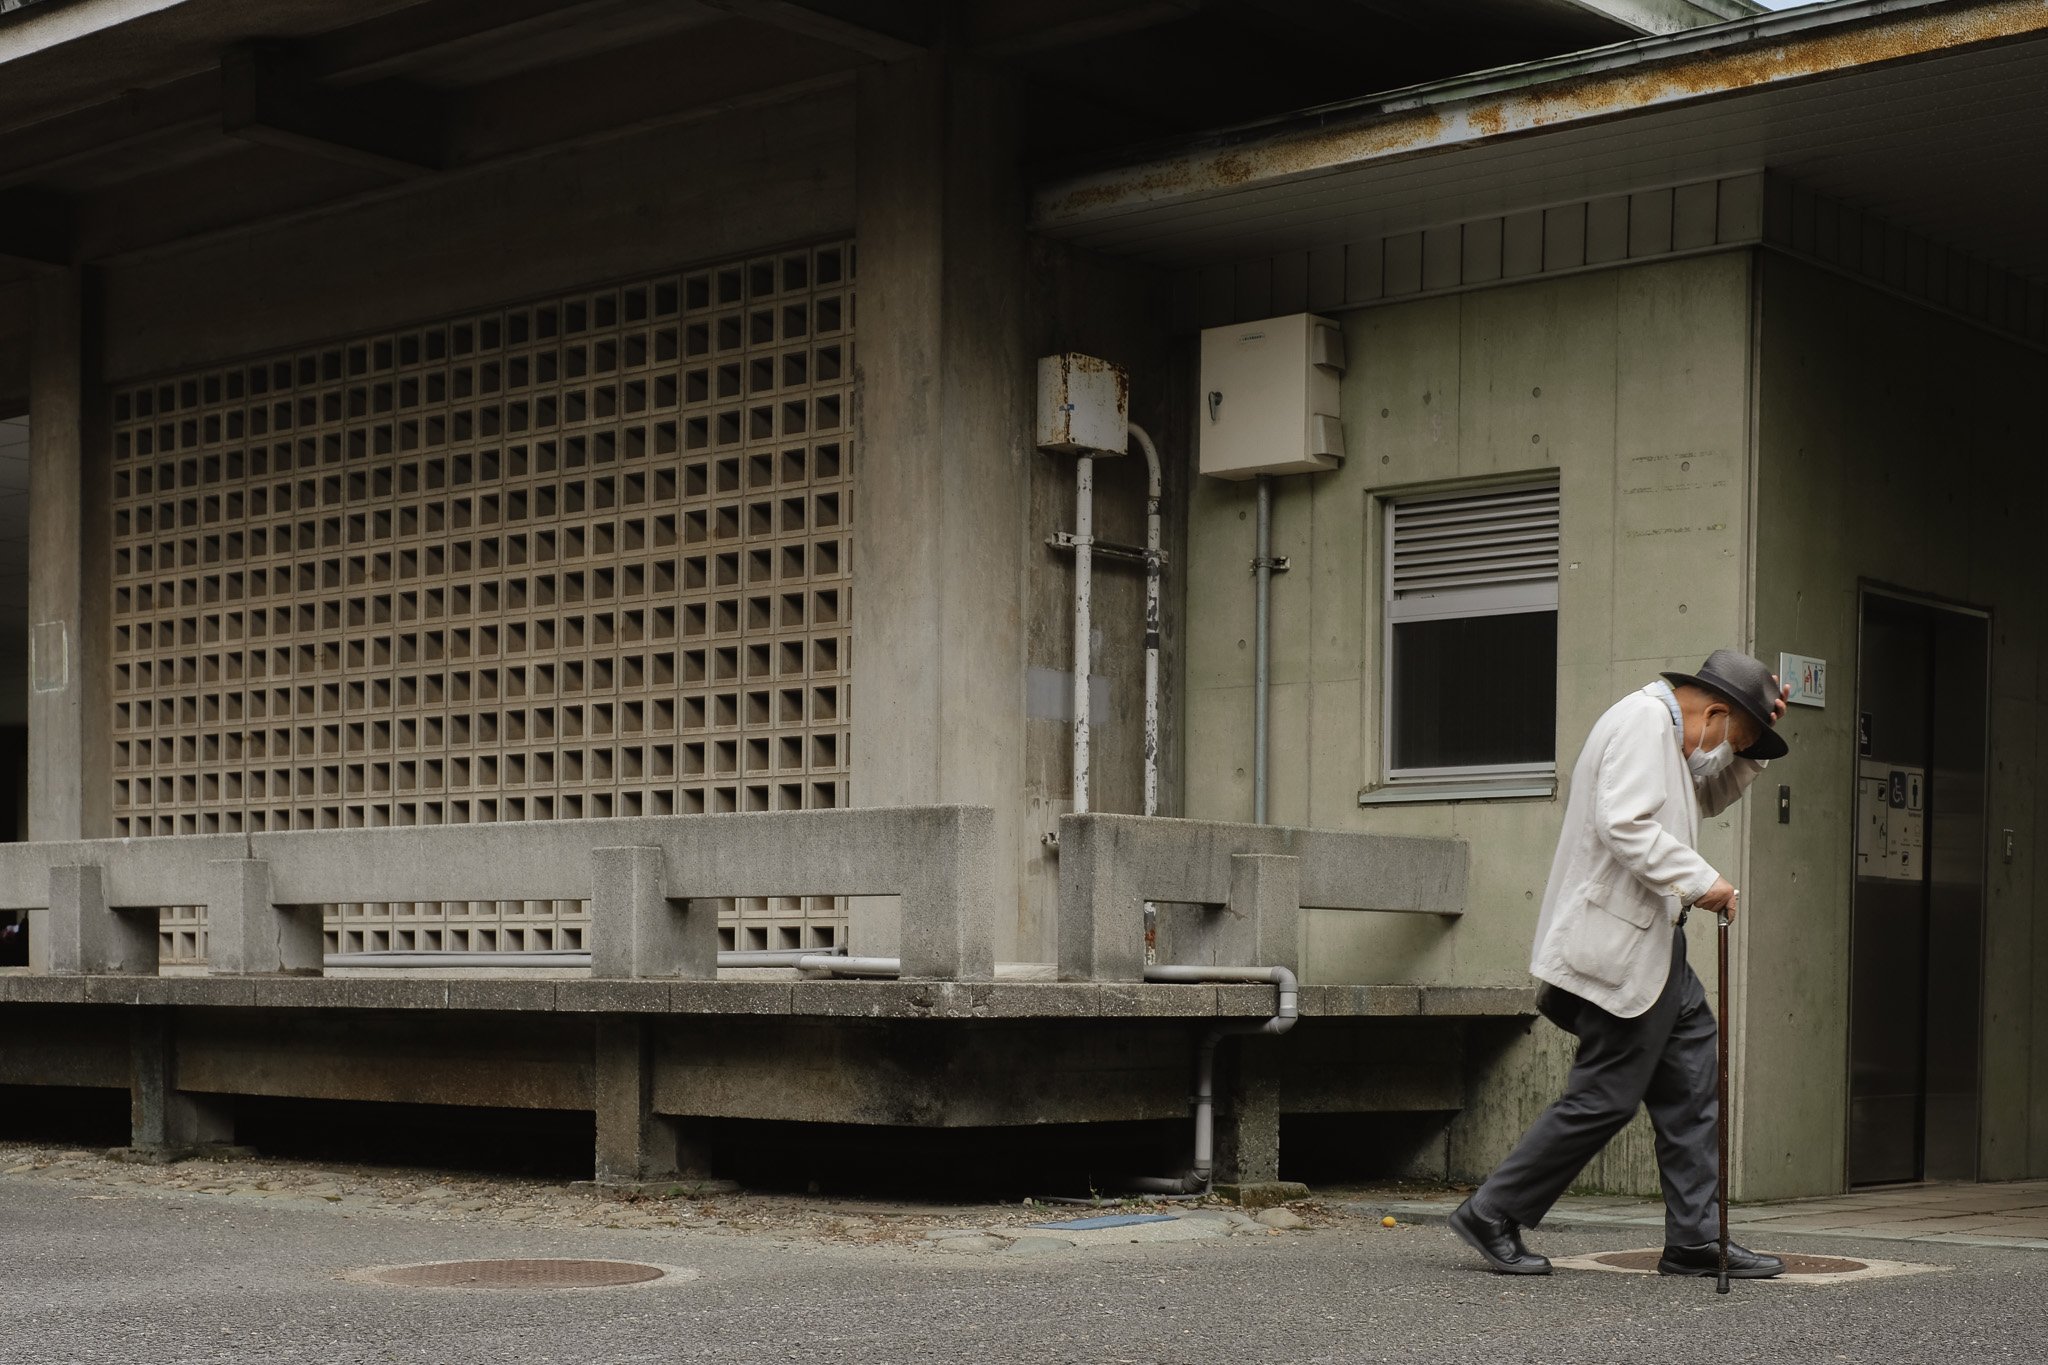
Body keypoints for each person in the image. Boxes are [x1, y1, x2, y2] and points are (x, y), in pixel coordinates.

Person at [1452, 649, 1791, 1279]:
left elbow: (1706, 795)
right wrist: (1702, 880)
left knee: (1692, 1079)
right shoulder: (1641, 723)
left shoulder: (1668, 732)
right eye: (1731, 737)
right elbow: (1625, 825)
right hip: (1622, 942)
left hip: (1654, 942)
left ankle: (1693, 1237)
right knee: (1607, 1095)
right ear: (1713, 712)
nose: (1721, 752)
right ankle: (1493, 1211)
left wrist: (1755, 744)